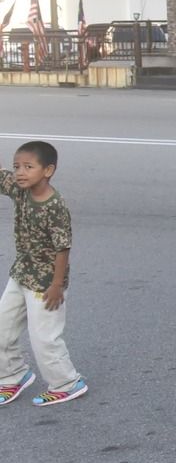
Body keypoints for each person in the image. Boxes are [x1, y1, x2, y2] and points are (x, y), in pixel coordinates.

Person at [0, 141, 83, 407]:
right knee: (2, 327)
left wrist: (57, 285)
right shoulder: (19, 189)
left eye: (28, 167)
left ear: (48, 170)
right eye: (16, 167)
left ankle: (67, 383)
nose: (20, 172)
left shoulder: (55, 206)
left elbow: (63, 248)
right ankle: (12, 375)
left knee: (44, 338)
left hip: (46, 284)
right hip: (21, 273)